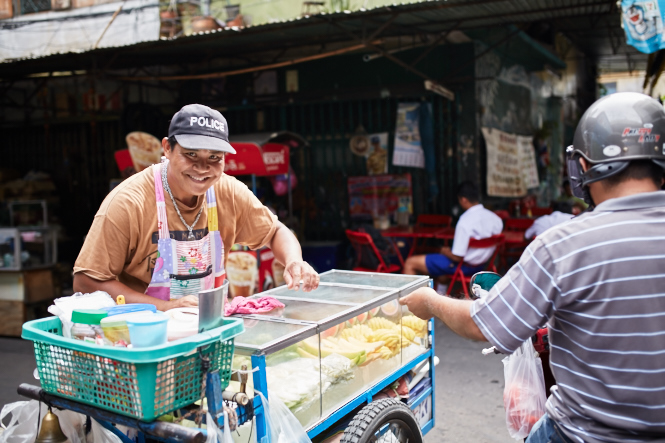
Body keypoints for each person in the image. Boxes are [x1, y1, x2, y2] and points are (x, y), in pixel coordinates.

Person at [399, 92, 665, 443]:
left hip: (581, 434)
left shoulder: (562, 245)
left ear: (582, 168)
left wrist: (430, 301)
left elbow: (482, 323)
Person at [73, 104, 319, 311]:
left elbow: (275, 231)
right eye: (191, 154)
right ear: (167, 148)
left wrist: (294, 261)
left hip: (207, 330)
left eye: (214, 157)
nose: (203, 168)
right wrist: (167, 308)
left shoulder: (228, 192)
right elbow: (86, 281)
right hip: (143, 339)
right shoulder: (128, 203)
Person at [403, 181, 502, 278]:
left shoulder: (465, 221)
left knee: (410, 263)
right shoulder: (495, 219)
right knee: (440, 265)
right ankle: (442, 291)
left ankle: (415, 295)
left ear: (463, 200)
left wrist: (445, 251)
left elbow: (457, 257)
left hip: (463, 267)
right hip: (482, 265)